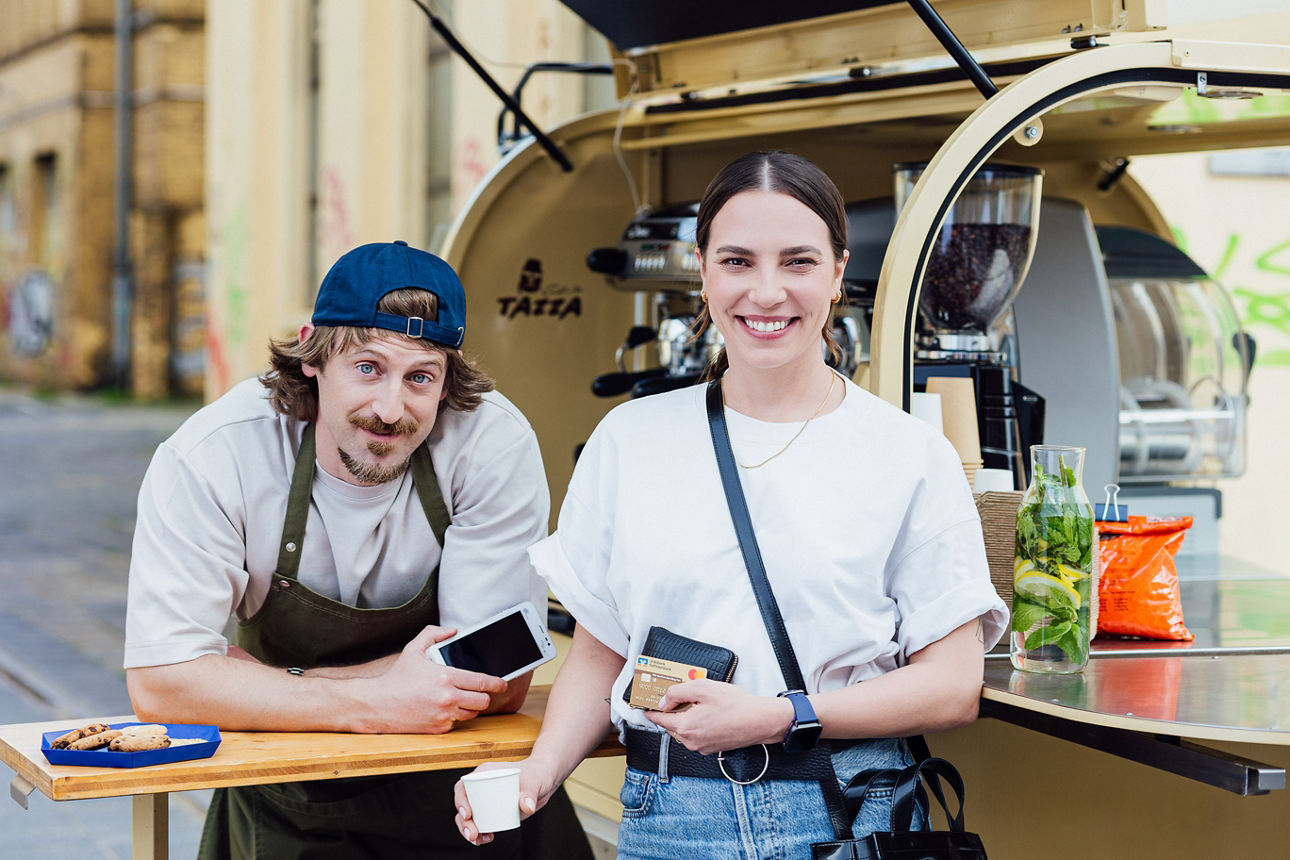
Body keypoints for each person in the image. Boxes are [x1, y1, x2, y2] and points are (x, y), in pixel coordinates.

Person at [453, 152, 1009, 857]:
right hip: (668, 818)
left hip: (845, 810)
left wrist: (779, 716)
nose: (767, 292)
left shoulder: (907, 453)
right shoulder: (630, 439)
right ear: (703, 270)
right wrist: (535, 775)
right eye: (738, 261)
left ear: (838, 273)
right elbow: (599, 658)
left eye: (798, 262)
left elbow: (953, 686)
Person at [123, 240, 592, 860]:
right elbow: (162, 684)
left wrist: (259, 685)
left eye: (420, 377)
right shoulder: (217, 455)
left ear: (448, 381)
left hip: (468, 794)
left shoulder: (491, 442)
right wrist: (376, 699)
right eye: (368, 367)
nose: (390, 410)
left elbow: (497, 677)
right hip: (290, 796)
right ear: (313, 355)